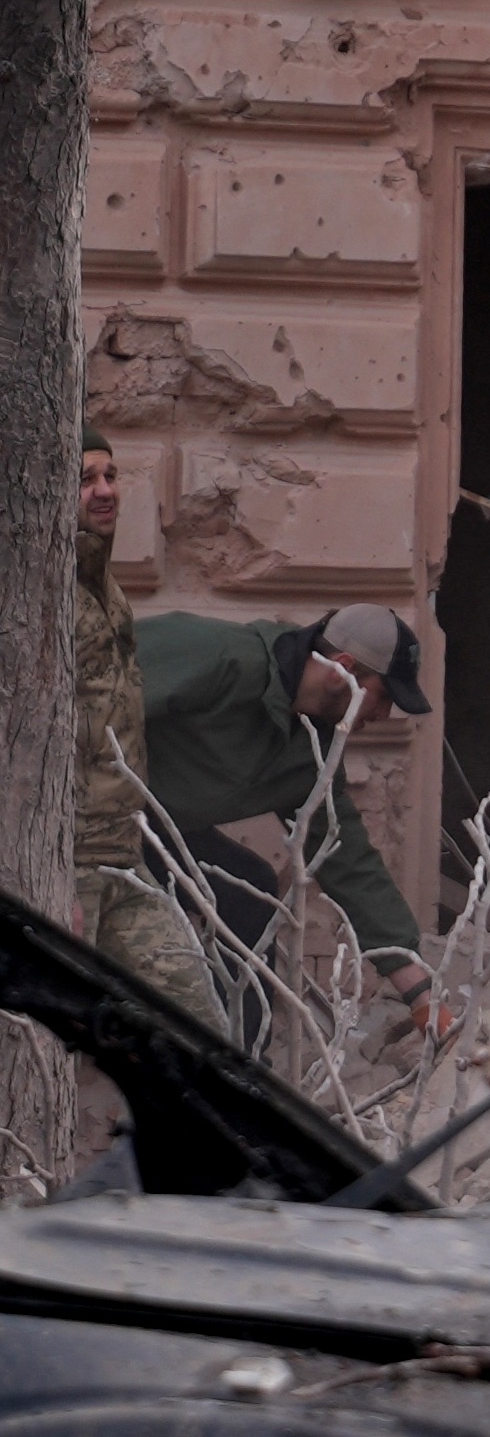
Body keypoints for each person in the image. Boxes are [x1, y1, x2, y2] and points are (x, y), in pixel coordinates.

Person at [134, 597, 440, 1044]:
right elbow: (85, 692)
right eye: (384, 696)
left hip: (147, 833)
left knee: (248, 891)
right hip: (75, 814)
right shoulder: (219, 655)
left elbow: (345, 857)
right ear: (345, 668)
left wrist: (420, 994)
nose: (382, 716)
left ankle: (235, 1070)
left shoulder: (308, 750)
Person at [68, 426, 216, 1022]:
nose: (104, 491)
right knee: (31, 1052)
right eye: (84, 480)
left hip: (123, 856)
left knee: (195, 1026)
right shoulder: (32, 590)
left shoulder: (104, 584)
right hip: (62, 865)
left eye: (110, 475)